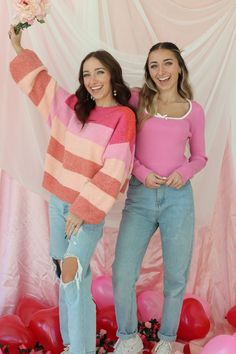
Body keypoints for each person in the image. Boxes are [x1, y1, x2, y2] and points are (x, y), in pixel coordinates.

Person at [8, 25, 136, 354]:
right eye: (86, 74)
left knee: (72, 273)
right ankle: (70, 344)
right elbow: (41, 85)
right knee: (62, 276)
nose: (92, 80)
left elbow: (116, 167)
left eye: (99, 72)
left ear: (112, 76)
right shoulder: (72, 109)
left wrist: (81, 210)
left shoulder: (122, 116)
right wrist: (17, 44)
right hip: (57, 201)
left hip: (85, 211)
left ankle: (81, 350)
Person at [112, 42, 207, 354]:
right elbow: (123, 145)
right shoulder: (138, 100)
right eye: (154, 65)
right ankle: (128, 338)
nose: (161, 71)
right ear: (148, 70)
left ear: (179, 67)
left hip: (178, 199)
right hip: (140, 197)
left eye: (167, 63)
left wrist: (186, 171)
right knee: (123, 272)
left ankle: (167, 341)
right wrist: (140, 172)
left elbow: (200, 157)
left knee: (176, 276)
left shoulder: (194, 111)